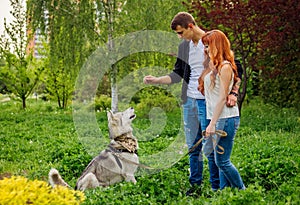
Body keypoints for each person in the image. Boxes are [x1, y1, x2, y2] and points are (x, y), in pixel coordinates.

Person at [143, 12, 239, 196]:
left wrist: (233, 92)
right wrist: (156, 80)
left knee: (210, 147)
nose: (179, 37)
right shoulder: (184, 47)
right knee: (193, 147)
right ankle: (194, 186)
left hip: (206, 103)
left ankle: (216, 188)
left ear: (190, 26)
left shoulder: (211, 41)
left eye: (180, 33)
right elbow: (177, 74)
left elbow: (235, 67)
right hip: (189, 102)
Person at [198, 29, 245, 190]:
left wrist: (212, 123)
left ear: (216, 45)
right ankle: (224, 194)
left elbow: (222, 98)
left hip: (225, 118)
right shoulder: (214, 66)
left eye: (207, 46)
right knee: (220, 160)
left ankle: (243, 191)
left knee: (222, 162)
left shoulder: (225, 67)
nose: (205, 49)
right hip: (218, 118)